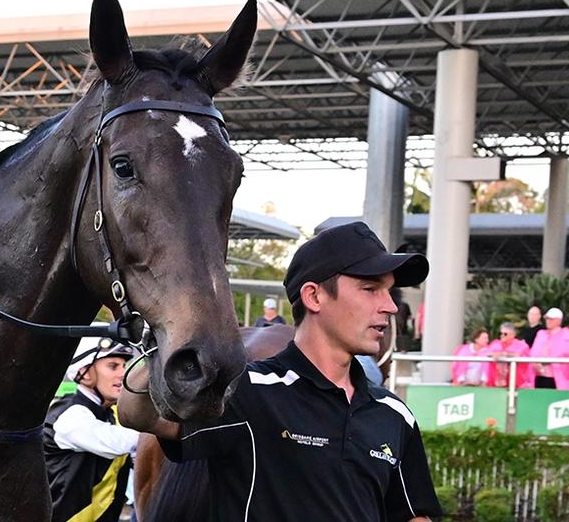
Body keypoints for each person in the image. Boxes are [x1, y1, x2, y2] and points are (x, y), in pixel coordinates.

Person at [125, 221, 440, 521]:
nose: (391, 306)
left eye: (389, 291)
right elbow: (135, 414)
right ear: (314, 296)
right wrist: (173, 329)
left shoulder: (395, 415)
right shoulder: (247, 391)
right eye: (370, 289)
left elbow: (412, 514)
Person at [44, 337, 137, 522]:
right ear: (85, 373)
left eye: (124, 366)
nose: (123, 373)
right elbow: (124, 442)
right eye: (113, 366)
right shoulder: (70, 415)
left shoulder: (110, 414)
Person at [530, 307, 569, 390]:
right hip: (538, 376)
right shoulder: (541, 334)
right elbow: (533, 353)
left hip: (557, 378)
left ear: (559, 320)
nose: (548, 321)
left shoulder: (566, 335)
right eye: (547, 318)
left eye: (551, 319)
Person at [486, 322, 533, 389]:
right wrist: (495, 354)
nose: (502, 335)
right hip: (495, 386)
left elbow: (522, 358)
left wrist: (505, 354)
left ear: (513, 334)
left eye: (505, 334)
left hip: (517, 386)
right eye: (501, 333)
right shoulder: (495, 344)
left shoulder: (522, 346)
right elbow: (487, 353)